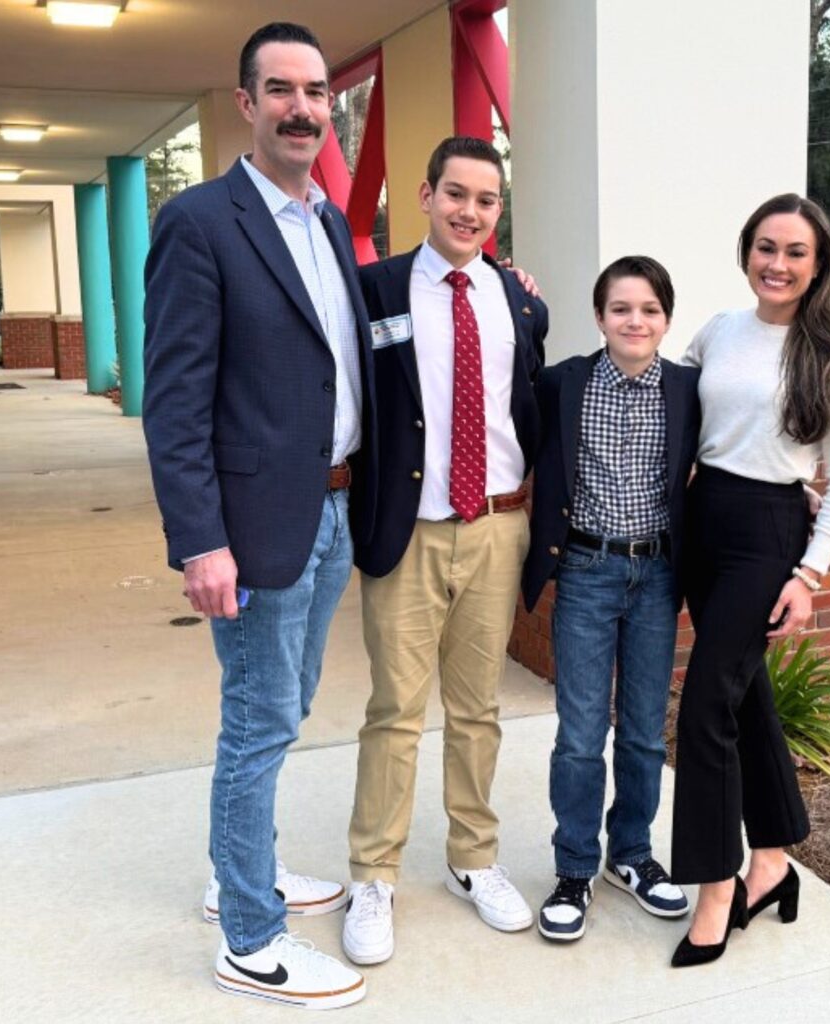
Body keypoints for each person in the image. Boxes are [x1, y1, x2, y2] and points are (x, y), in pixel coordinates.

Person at [143, 22, 377, 1009]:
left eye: (316, 91)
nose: (302, 108)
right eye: (279, 90)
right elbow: (175, 399)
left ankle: (244, 867)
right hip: (251, 529)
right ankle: (251, 934)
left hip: (330, 515)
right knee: (257, 721)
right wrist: (200, 539)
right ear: (245, 103)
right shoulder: (201, 223)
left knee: (282, 712)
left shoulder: (326, 221)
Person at [341, 136, 549, 965]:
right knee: (395, 709)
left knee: (479, 709)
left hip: (498, 527)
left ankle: (473, 859)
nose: (469, 211)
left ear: (499, 212)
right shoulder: (374, 291)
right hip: (412, 530)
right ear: (425, 195)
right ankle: (374, 875)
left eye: (486, 200)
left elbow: (524, 404)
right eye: (455, 194)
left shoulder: (519, 301)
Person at [669, 193, 830, 967]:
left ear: (818, 264)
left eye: (795, 252)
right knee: (743, 699)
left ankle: (717, 886)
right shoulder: (719, 331)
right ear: (746, 250)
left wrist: (809, 571)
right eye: (765, 247)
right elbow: (666, 400)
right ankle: (775, 859)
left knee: (705, 706)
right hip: (704, 517)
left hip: (768, 535)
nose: (776, 264)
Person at [521, 256, 700, 942]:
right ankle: (573, 867)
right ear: (599, 317)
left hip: (656, 576)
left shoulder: (688, 388)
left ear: (666, 320)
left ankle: (632, 854)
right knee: (579, 734)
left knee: (645, 731)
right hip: (588, 572)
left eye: (649, 309)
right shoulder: (563, 383)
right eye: (621, 308)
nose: (635, 320)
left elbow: (739, 445)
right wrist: (518, 297)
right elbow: (507, 411)